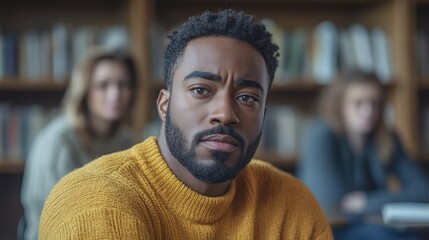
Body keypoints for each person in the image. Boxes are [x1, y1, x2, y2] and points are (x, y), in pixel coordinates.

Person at [39, 9, 333, 239]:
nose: (225, 113)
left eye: (247, 97)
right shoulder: (93, 199)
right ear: (164, 105)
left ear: (264, 116)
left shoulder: (291, 203)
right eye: (201, 90)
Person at [21, 48, 138, 240]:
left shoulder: (128, 140)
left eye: (123, 84)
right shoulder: (58, 142)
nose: (115, 93)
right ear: (85, 90)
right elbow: (54, 218)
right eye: (103, 85)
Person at [298, 71, 429, 239]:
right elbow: (332, 204)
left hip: (374, 224)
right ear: (341, 105)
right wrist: (384, 201)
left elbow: (423, 190)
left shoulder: (386, 138)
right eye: (359, 103)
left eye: (375, 103)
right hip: (330, 230)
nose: (369, 111)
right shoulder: (322, 135)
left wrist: (367, 202)